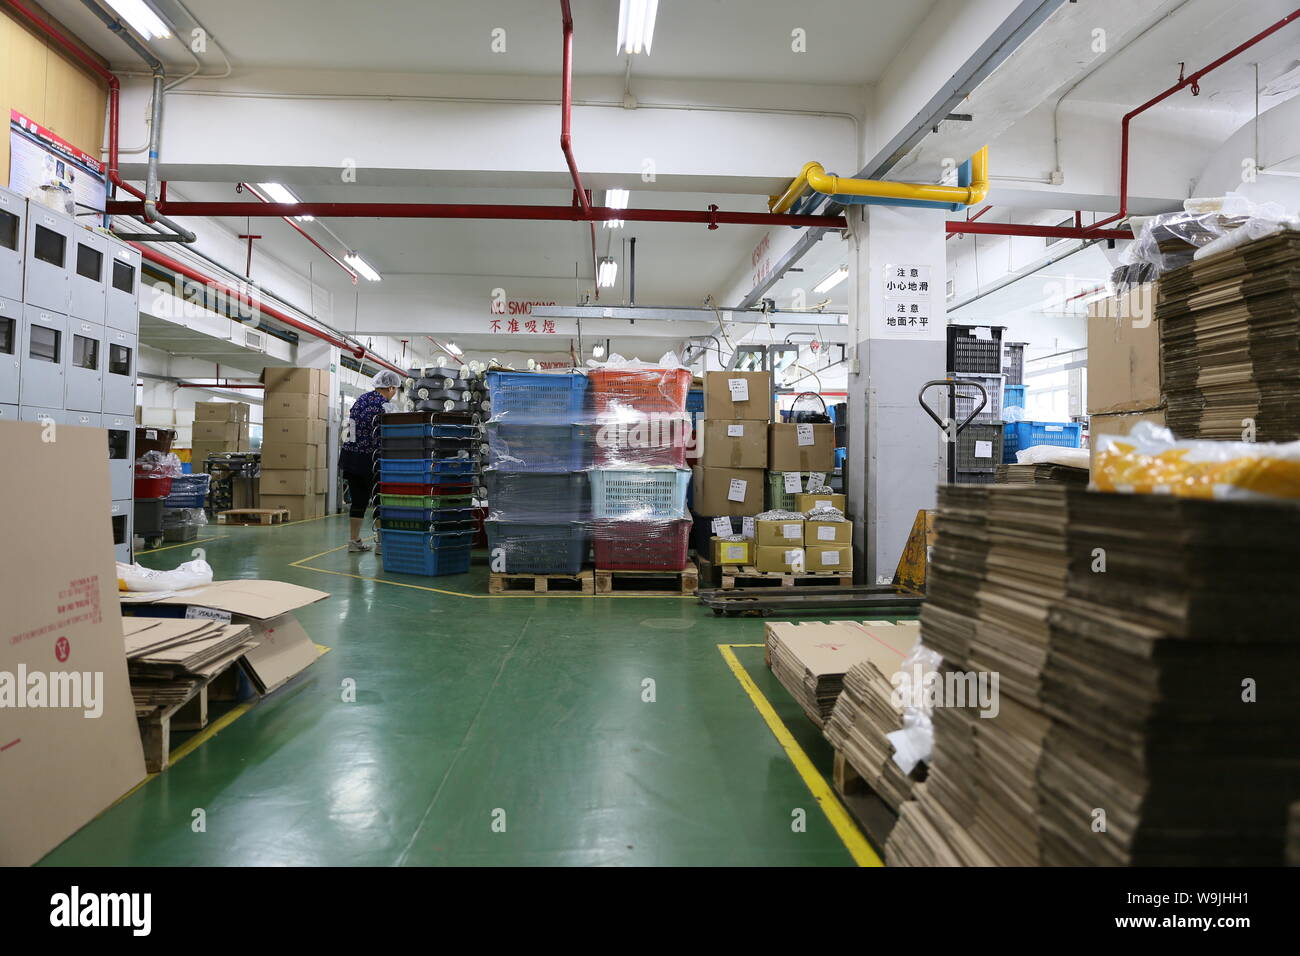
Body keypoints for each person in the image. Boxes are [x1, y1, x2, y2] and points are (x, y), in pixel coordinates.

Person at [340, 370, 402, 552]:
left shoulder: (359, 401)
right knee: (379, 500)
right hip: (372, 460)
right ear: (390, 387)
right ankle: (381, 544)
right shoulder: (385, 406)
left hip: (351, 456)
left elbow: (350, 429)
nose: (395, 392)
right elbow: (389, 435)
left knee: (358, 500)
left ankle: (354, 541)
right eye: (395, 389)